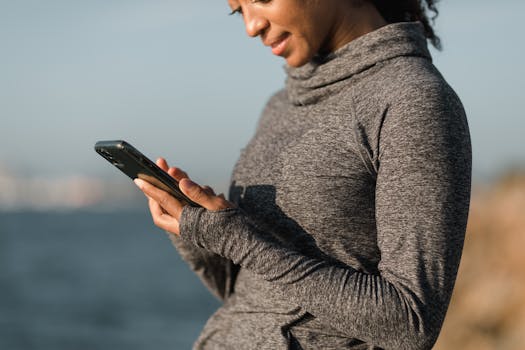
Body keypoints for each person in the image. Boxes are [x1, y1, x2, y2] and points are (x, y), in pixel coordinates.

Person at [134, 0, 471, 349]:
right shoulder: (279, 105)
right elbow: (258, 296)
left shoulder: (413, 100)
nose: (251, 27)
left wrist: (237, 239)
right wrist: (198, 232)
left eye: (261, 0)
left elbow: (411, 324)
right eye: (238, 11)